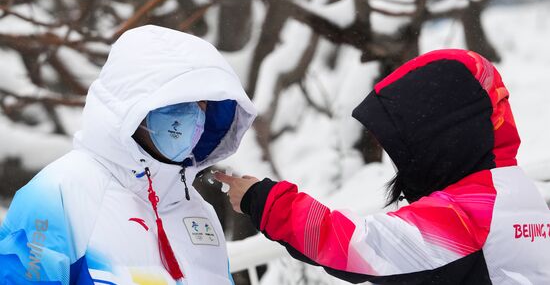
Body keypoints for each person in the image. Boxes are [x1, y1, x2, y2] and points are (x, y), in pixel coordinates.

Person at [216, 49, 550, 284]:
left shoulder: (471, 212)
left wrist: (263, 200)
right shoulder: (518, 193)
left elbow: (352, 245)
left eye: (406, 145)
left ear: (443, 132)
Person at [0, 25, 257, 284]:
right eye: (179, 103)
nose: (193, 116)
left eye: (202, 105)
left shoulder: (199, 213)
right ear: (131, 104)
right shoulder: (59, 194)